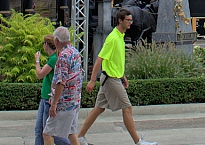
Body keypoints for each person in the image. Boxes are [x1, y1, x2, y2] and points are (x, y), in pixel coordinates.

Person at [77, 9, 156, 145]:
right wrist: (91, 81)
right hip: (110, 79)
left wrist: (123, 76)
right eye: (128, 20)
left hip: (113, 77)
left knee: (98, 109)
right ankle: (138, 141)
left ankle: (79, 137)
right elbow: (99, 59)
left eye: (131, 20)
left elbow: (115, 60)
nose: (131, 22)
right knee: (127, 107)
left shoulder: (120, 35)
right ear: (120, 20)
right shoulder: (113, 38)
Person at [44, 27, 83, 145]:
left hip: (64, 102)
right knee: (72, 132)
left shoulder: (63, 56)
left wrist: (54, 104)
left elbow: (61, 81)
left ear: (56, 41)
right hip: (75, 100)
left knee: (47, 134)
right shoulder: (75, 52)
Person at [35, 35, 68, 145]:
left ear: (46, 45)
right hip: (44, 98)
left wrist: (37, 61)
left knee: (48, 132)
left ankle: (71, 143)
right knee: (39, 130)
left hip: (49, 99)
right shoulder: (52, 58)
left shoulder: (54, 59)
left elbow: (39, 74)